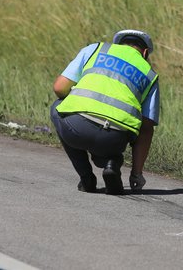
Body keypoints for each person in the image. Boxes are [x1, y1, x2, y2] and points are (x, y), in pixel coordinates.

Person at [50, 29, 160, 195]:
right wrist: (136, 174)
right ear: (145, 53)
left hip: (77, 128)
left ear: (117, 45)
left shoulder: (95, 49)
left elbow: (59, 88)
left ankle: (87, 178)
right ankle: (112, 163)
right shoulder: (150, 75)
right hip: (114, 139)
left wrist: (77, 102)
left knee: (58, 107)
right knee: (109, 146)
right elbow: (146, 129)